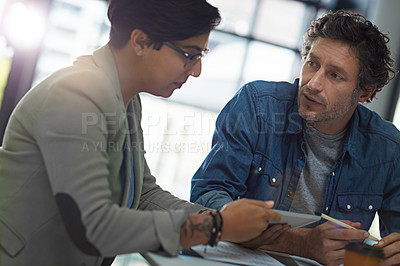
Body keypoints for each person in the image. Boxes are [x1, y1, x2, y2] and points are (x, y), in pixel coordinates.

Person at [0, 0, 283, 265]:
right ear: (140, 42)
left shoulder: (126, 99)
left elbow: (144, 195)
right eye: (189, 54)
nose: (196, 70)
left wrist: (224, 219)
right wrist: (215, 227)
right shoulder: (75, 94)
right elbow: (94, 227)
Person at [190, 9, 400, 266]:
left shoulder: (387, 149)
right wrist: (297, 242)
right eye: (312, 63)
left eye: (334, 75)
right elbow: (207, 196)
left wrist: (383, 256)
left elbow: (386, 247)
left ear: (365, 92)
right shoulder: (256, 107)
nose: (312, 83)